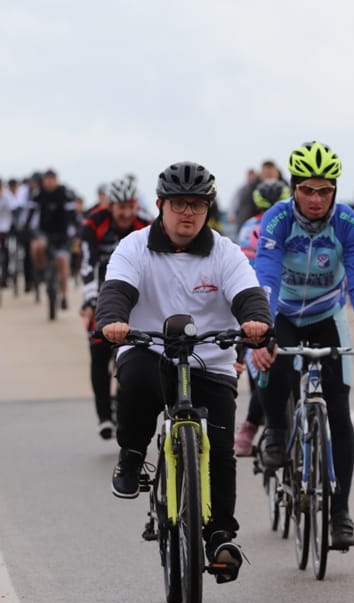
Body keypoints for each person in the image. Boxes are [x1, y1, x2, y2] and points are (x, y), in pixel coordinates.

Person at [96, 161, 272, 581]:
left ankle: (220, 536)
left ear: (208, 208)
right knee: (135, 381)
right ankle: (133, 453)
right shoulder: (134, 247)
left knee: (222, 447)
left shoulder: (225, 252)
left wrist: (257, 320)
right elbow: (116, 290)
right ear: (160, 206)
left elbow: (248, 292)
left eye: (196, 205)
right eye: (178, 205)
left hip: (209, 357)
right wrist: (113, 320)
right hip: (149, 347)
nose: (187, 213)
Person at [251, 141, 354, 550]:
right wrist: (263, 329)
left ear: (334, 190)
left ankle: (340, 512)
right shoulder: (277, 220)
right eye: (307, 190)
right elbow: (267, 275)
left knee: (340, 411)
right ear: (294, 188)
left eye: (324, 190)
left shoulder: (349, 223)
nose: (315, 199)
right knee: (273, 362)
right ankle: (275, 432)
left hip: (327, 315)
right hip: (285, 313)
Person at [80, 177, 152, 440]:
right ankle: (103, 416)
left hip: (134, 294)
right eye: (120, 207)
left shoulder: (146, 223)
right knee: (99, 354)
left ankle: (124, 413)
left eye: (130, 207)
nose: (125, 213)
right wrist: (90, 299)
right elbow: (87, 264)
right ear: (110, 206)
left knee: (130, 355)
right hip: (100, 293)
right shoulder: (93, 223)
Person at [232, 178, 290, 456]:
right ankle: (251, 425)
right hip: (259, 299)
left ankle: (253, 426)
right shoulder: (260, 228)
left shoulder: (248, 226)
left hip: (272, 299)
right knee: (263, 364)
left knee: (266, 368)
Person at [28, 169, 78, 311]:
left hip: (62, 234)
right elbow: (31, 214)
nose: (49, 182)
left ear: (56, 180)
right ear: (43, 181)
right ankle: (42, 270)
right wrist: (25, 229)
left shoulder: (65, 194)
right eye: (47, 179)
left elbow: (72, 216)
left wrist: (75, 233)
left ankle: (64, 296)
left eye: (52, 179)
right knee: (37, 247)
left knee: (62, 262)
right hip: (45, 233)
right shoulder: (38, 194)